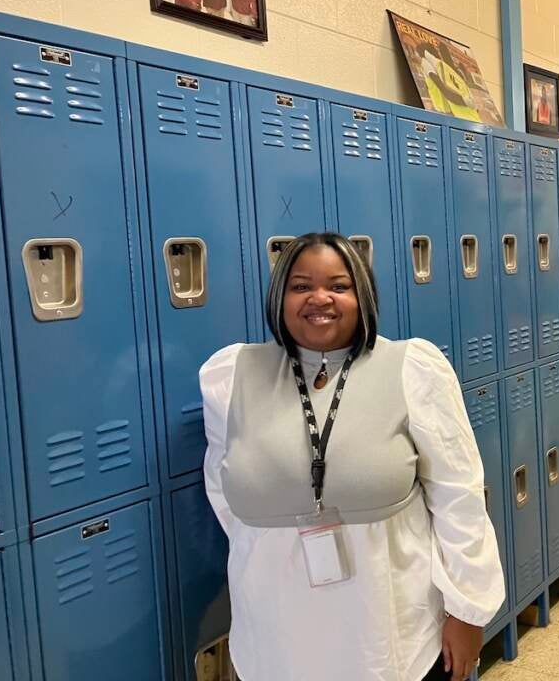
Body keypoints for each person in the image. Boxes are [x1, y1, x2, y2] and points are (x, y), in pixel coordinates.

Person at [201, 232, 504, 681]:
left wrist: (468, 611)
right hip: (275, 640)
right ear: (279, 297)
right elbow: (223, 492)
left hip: (391, 637)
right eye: (300, 286)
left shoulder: (412, 368)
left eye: (338, 286)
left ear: (362, 295)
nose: (318, 298)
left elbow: (458, 497)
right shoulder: (231, 376)